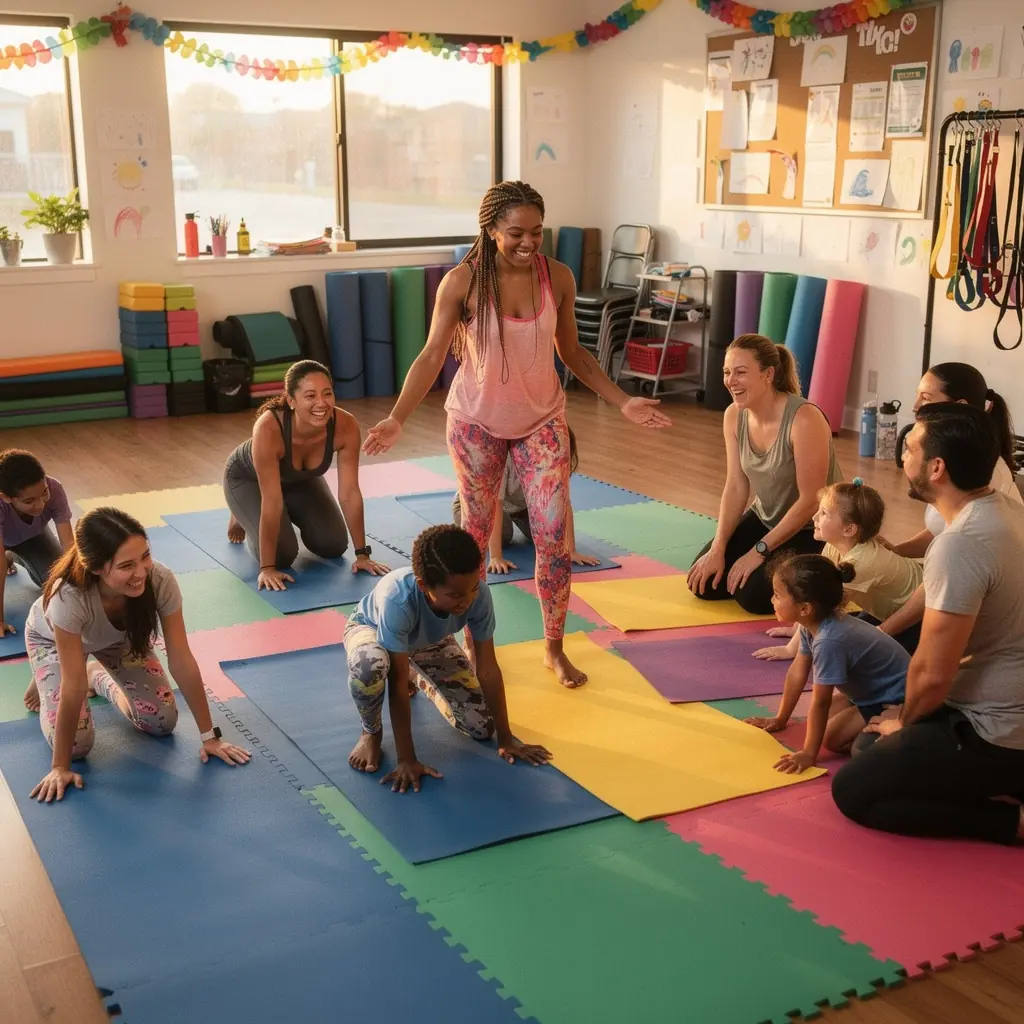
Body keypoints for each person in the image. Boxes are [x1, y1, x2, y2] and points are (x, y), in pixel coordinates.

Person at [361, 181, 670, 688]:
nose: (528, 243)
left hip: (542, 420)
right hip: (475, 423)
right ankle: (467, 647)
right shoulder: (462, 282)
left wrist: (623, 400)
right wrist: (397, 417)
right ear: (490, 230)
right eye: (515, 233)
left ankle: (554, 648)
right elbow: (433, 355)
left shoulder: (559, 277)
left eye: (537, 232)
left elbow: (573, 353)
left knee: (553, 536)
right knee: (475, 541)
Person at [832, 404, 1024, 845]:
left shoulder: (960, 544)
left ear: (937, 467)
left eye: (910, 449)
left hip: (998, 732)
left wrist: (906, 721)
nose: (902, 458)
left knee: (854, 788)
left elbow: (934, 673)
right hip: (1002, 712)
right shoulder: (1008, 511)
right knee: (867, 742)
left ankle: (1010, 824)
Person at [24, 507, 251, 804]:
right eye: (126, 565)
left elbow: (182, 659)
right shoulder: (67, 596)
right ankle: (44, 673)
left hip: (116, 638)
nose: (141, 572)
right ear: (95, 567)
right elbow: (72, 686)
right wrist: (60, 767)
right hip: (54, 642)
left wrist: (210, 736)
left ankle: (98, 675)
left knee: (161, 722)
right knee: (76, 746)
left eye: (145, 555)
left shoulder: (160, 579)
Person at [344, 523, 551, 792]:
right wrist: (407, 759)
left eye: (473, 587)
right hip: (372, 631)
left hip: (430, 641)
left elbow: (487, 668)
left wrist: (506, 738)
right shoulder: (398, 598)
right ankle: (370, 732)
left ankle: (419, 676)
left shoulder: (479, 596)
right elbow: (395, 687)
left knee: (480, 727)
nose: (467, 600)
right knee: (370, 666)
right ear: (423, 586)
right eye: (455, 595)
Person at [688, 334, 842, 614]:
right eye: (727, 372)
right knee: (705, 583)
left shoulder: (804, 419)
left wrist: (757, 551)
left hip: (814, 527)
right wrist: (718, 547)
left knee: (753, 595)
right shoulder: (734, 416)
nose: (730, 381)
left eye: (741, 372)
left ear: (768, 374)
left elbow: (811, 501)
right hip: (767, 517)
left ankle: (829, 568)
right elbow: (735, 485)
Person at [879, 363, 1021, 641]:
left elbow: (932, 676)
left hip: (982, 619)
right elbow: (940, 528)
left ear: (937, 468)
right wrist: (895, 550)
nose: (915, 406)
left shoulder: (980, 483)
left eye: (926, 398)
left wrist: (882, 632)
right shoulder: (961, 489)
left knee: (862, 637)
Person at [223, 359, 388, 592]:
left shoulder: (345, 425)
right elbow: (272, 501)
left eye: (327, 393)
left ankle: (281, 510)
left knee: (333, 544)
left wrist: (362, 555)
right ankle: (240, 512)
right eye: (310, 396)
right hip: (248, 479)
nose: (321, 403)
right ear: (291, 400)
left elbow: (349, 493)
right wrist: (267, 568)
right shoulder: (269, 428)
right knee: (283, 555)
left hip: (300, 479)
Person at [746, 553, 909, 771]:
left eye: (777, 595)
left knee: (833, 740)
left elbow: (821, 701)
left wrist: (808, 754)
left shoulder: (829, 640)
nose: (771, 600)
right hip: (867, 692)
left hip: (895, 698)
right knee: (817, 721)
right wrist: (780, 719)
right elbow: (798, 672)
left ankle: (905, 729)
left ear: (805, 608)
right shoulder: (811, 624)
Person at [753, 478, 923, 660]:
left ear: (849, 529)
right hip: (884, 611)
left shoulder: (861, 563)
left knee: (848, 651)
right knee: (836, 635)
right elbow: (814, 591)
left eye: (824, 513)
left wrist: (791, 649)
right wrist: (797, 629)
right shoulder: (835, 546)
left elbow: (821, 607)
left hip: (918, 621)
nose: (814, 517)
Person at [452, 425, 600, 574]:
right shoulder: (506, 459)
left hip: (520, 506)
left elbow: (562, 505)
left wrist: (570, 550)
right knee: (504, 536)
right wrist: (496, 556)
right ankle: (464, 522)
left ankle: (513, 519)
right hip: (482, 503)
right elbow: (496, 503)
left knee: (550, 536)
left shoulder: (554, 466)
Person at [0, 449, 74, 637]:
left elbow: (70, 547)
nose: (40, 505)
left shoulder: (55, 488)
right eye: (29, 501)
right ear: (6, 497)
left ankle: (14, 555)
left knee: (58, 584)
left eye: (44, 494)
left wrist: (80, 590)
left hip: (32, 538)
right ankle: (9, 554)